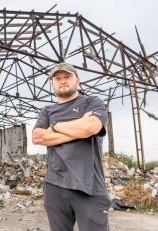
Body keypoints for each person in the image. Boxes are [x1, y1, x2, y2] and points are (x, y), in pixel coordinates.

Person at [32, 63, 111, 231]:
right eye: (57, 78)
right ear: (52, 83)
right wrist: (78, 130)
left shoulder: (91, 102)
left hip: (89, 186)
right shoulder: (47, 110)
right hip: (55, 186)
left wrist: (54, 127)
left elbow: (90, 128)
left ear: (78, 80)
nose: (62, 81)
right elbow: (37, 137)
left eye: (67, 77)